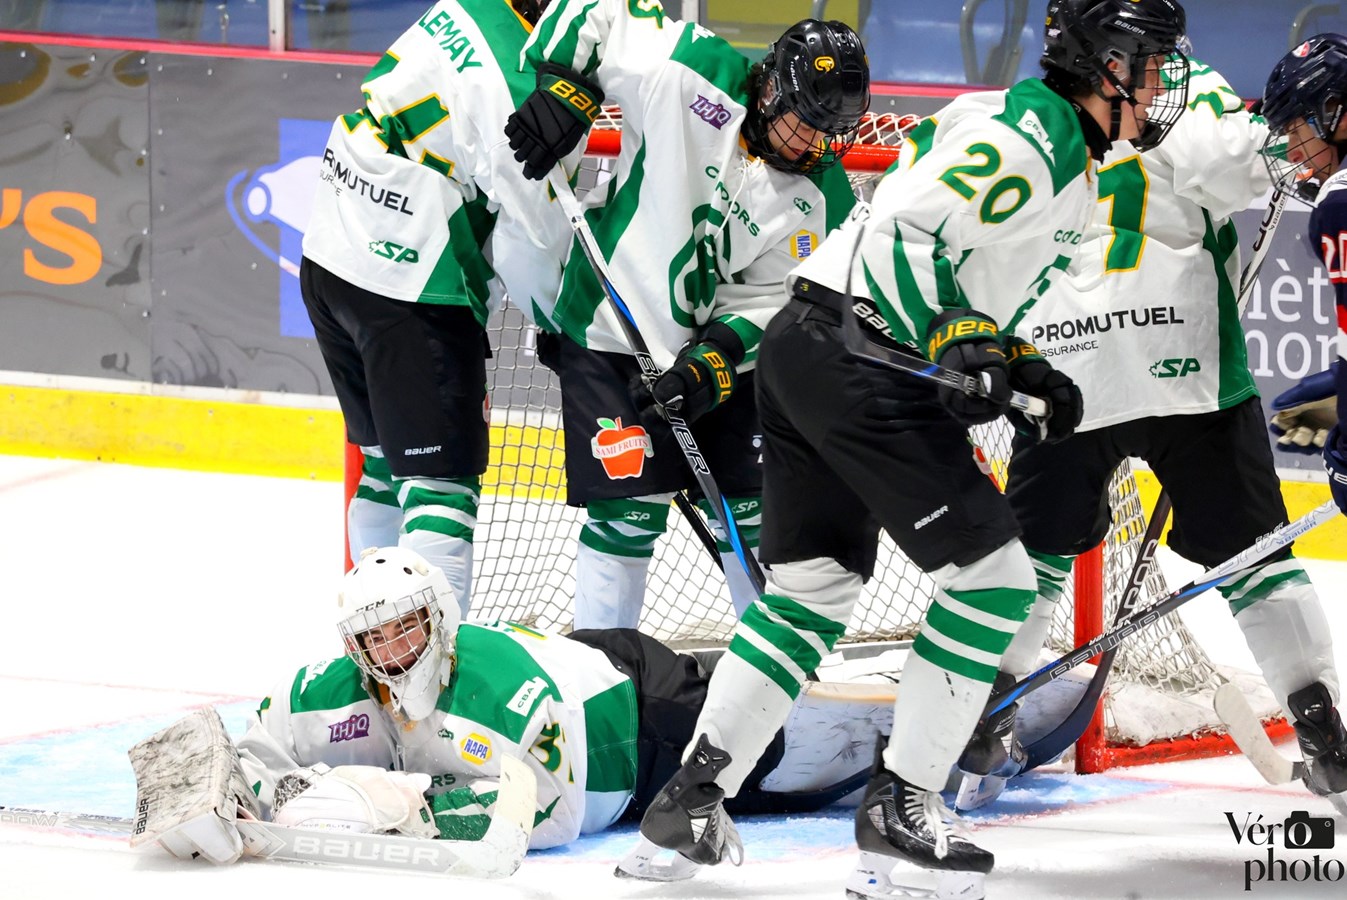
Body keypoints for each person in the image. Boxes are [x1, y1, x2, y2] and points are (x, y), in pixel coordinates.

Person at [626, 1, 1189, 896]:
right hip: (861, 356)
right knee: (994, 582)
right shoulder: (1035, 142)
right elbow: (906, 236)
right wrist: (960, 333)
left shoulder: (1036, 138)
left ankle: (689, 803)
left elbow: (953, 263)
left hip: (808, 343)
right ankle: (903, 808)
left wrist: (1016, 360)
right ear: (1107, 65)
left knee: (809, 595)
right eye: (1149, 66)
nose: (1158, 87)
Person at [952, 45, 1347, 812]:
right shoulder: (1190, 89)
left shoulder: (1029, 105)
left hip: (1062, 362)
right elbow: (1247, 157)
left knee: (1036, 553)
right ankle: (1322, 729)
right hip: (1185, 360)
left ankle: (983, 717)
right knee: (1256, 561)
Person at [132, 546, 897, 864]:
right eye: (373, 637)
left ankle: (935, 723)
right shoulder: (326, 693)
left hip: (643, 716)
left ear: (437, 618)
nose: (391, 650)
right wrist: (244, 795)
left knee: (813, 753)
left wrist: (407, 808)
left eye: (405, 628)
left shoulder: (502, 698)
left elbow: (555, 814)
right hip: (579, 669)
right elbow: (255, 747)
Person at [503, 2, 870, 629]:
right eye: (805, 124)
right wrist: (565, 84)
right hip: (611, 327)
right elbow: (598, 11)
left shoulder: (822, 195)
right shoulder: (691, 69)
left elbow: (771, 299)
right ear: (772, 92)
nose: (816, 145)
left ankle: (766, 673)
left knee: (755, 515)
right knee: (626, 518)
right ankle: (606, 670)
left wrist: (714, 362)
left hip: (718, 360)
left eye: (830, 132)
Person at [299, 0, 577, 619]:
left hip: (330, 254)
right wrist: (558, 324)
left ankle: (373, 645)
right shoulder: (517, 86)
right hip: (412, 282)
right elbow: (527, 241)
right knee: (441, 490)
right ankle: (436, 670)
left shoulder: (465, 6)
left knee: (381, 466)